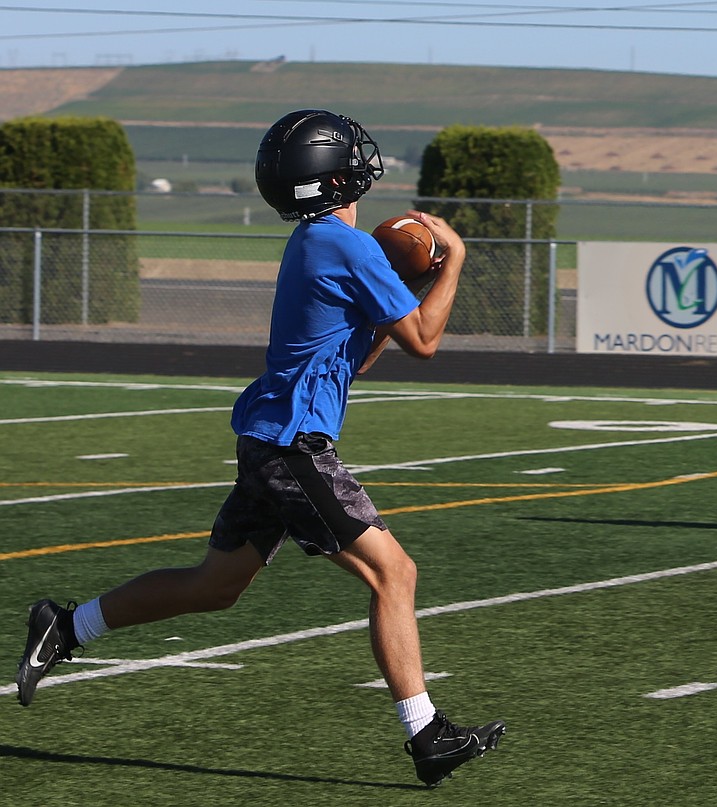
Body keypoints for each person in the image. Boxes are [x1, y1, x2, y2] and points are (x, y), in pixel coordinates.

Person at [16, 109, 505, 787]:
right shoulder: (346, 245)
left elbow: (355, 358)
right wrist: (454, 261)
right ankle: (426, 734)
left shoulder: (315, 242)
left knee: (214, 585)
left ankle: (67, 626)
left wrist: (398, 296)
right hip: (295, 449)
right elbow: (425, 340)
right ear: (332, 177)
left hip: (269, 441)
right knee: (396, 574)